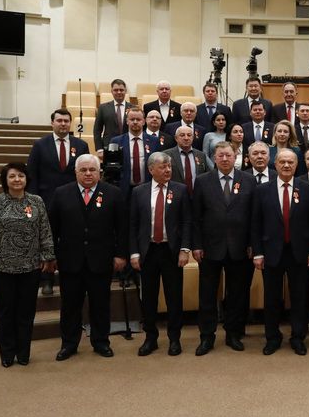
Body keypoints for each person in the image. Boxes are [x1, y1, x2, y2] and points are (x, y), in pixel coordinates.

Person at [0, 163, 55, 367]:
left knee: (26, 312)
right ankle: (7, 353)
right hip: (1, 267)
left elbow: (45, 230)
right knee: (6, 311)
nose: (17, 179)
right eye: (12, 176)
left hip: (31, 266)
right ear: (5, 180)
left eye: (20, 176)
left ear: (26, 179)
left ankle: (24, 352)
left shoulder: (36, 201)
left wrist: (47, 256)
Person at [49, 154, 128, 361]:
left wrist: (121, 254)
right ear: (76, 172)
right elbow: (52, 229)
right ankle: (69, 344)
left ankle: (101, 342)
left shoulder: (113, 193)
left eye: (92, 170)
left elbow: (122, 228)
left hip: (101, 260)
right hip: (70, 261)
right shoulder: (61, 193)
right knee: (70, 306)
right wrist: (52, 255)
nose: (88, 174)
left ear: (99, 172)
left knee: (100, 304)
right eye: (83, 170)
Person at [251, 149, 309, 356]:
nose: (287, 165)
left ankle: (298, 337)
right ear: (276, 164)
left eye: (290, 162)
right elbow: (255, 224)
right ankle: (272, 337)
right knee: (271, 298)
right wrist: (258, 253)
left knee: (299, 297)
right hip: (271, 252)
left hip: (300, 252)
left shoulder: (308, 189)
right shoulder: (262, 190)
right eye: (283, 162)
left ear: (297, 165)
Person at [192, 142, 256, 354]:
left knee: (237, 294)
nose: (225, 159)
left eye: (229, 155)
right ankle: (206, 337)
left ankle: (233, 334)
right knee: (207, 295)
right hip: (210, 247)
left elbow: (254, 216)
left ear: (235, 156)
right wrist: (197, 245)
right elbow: (196, 217)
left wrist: (252, 243)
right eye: (221, 155)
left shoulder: (248, 180)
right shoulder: (202, 181)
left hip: (240, 247)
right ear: (214, 158)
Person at [129, 152, 191, 357]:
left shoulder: (180, 190)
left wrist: (184, 249)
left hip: (171, 251)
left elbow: (186, 222)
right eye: (163, 167)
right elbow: (133, 224)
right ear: (151, 170)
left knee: (174, 297)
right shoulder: (138, 192)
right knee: (149, 298)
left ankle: (174, 339)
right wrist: (134, 252)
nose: (167, 170)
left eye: (169, 166)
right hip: (148, 251)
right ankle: (150, 338)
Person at [27, 108, 89, 296]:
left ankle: (70, 276)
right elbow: (32, 175)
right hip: (46, 201)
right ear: (52, 123)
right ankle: (47, 279)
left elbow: (85, 174)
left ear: (70, 123)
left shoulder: (81, 145)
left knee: (71, 239)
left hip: (74, 202)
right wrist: (34, 201)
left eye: (66, 121)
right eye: (59, 120)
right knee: (48, 240)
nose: (63, 124)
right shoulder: (40, 145)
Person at [110, 108, 160, 199]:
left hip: (147, 189)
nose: (135, 122)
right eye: (132, 119)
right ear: (127, 121)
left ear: (143, 122)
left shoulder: (154, 141)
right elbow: (112, 169)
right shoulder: (116, 141)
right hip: (123, 189)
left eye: (138, 119)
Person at [93, 78, 132, 159]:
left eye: (121, 90)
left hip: (129, 146)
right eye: (116, 90)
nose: (119, 92)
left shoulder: (133, 108)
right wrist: (99, 149)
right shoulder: (103, 108)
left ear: (125, 91)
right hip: (109, 147)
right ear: (111, 91)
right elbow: (97, 130)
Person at [164, 126, 209, 195]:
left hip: (196, 196)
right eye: (182, 135)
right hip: (175, 195)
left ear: (193, 137)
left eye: (189, 135)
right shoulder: (166, 155)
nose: (186, 138)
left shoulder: (201, 155)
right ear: (176, 138)